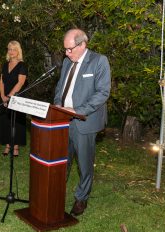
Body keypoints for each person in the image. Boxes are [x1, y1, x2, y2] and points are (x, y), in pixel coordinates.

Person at [54, 29, 111, 216]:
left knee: (85, 164)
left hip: (84, 122)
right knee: (62, 161)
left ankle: (81, 198)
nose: (66, 53)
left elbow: (102, 93)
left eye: (69, 49)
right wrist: (57, 105)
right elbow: (60, 86)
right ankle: (56, 193)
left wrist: (78, 111)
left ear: (82, 45)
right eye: (65, 49)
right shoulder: (66, 62)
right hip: (63, 120)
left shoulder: (98, 61)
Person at [0, 40, 28, 157]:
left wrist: (9, 97)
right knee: (5, 120)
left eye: (14, 49)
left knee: (16, 122)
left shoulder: (22, 65)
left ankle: (15, 146)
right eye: (9, 49)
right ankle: (7, 145)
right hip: (4, 96)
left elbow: (20, 83)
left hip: (17, 97)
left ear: (18, 51)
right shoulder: (5, 64)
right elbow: (1, 81)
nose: (11, 52)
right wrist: (2, 96)